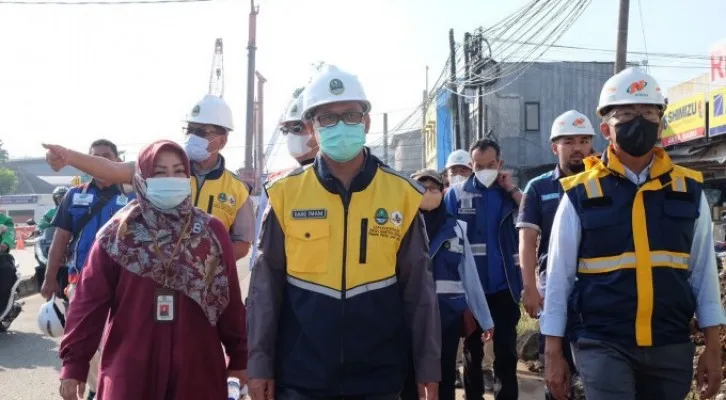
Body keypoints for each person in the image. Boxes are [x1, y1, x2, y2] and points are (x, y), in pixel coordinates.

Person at [247, 64, 441, 400]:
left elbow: (419, 292)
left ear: (366, 122)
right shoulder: (284, 194)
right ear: (311, 128)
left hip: (379, 378)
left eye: (351, 115)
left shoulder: (401, 194)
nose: (341, 126)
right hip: (301, 376)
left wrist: (428, 369)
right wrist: (260, 365)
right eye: (327, 118)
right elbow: (265, 289)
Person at [542, 67, 726, 400]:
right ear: (606, 130)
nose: (638, 121)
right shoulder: (579, 194)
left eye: (648, 112)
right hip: (602, 342)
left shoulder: (688, 189)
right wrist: (552, 351)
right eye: (625, 114)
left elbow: (703, 276)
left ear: (661, 121)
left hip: (670, 343)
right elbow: (559, 280)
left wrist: (713, 347)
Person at [58, 140, 248, 400]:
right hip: (131, 369)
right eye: (160, 173)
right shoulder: (117, 234)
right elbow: (88, 304)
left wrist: (239, 358)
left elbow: (230, 303)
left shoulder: (211, 232)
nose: (171, 178)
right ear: (142, 177)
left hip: (197, 369)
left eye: (179, 171)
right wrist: (74, 364)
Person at [42, 94, 255, 260]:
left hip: (207, 282)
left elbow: (243, 243)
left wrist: (203, 260)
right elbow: (111, 169)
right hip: (155, 276)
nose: (192, 137)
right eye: (189, 130)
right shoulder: (157, 168)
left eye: (201, 132)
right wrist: (69, 156)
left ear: (222, 140)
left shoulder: (237, 189)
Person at [41, 139, 132, 400]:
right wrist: (49, 279)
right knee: (85, 340)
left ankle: (118, 387)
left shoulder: (133, 194)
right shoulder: (74, 195)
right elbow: (60, 239)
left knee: (119, 340)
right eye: (94, 157)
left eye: (106, 156)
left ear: (117, 161)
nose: (99, 161)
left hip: (124, 284)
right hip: (81, 282)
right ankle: (96, 388)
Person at [517, 110, 595, 399]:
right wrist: (529, 288)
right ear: (555, 147)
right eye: (569, 141)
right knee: (557, 375)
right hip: (554, 292)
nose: (578, 148)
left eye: (584, 140)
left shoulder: (605, 182)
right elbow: (527, 242)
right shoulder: (538, 188)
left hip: (598, 290)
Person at [401, 169, 494, 400]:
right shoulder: (398, 226)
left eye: (434, 188)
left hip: (447, 317)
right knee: (408, 378)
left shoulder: (457, 228)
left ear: (443, 192)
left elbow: (469, 275)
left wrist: (485, 318)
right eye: (422, 188)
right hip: (408, 316)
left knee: (443, 377)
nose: (428, 193)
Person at [444, 139, 523, 400]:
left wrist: (512, 189)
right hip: (471, 290)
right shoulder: (456, 195)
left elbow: (533, 220)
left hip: (505, 289)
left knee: (506, 354)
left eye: (490, 165)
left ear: (499, 163)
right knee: (472, 353)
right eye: (479, 165)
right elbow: (447, 241)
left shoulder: (509, 196)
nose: (485, 169)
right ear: (471, 165)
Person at [250, 89, 318, 268]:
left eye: (297, 128)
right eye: (285, 130)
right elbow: (261, 254)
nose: (291, 135)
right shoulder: (275, 186)